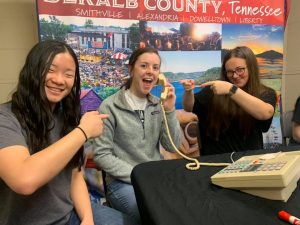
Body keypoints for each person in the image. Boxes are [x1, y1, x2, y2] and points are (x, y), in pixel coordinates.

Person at [0, 40, 135, 225]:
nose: (59, 80)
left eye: (68, 74)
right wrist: (83, 132)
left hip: (69, 215)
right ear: (32, 70)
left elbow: (75, 174)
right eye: (50, 69)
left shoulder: (67, 117)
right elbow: (24, 180)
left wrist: (87, 219)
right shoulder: (5, 118)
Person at [93, 47, 181, 224]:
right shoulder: (109, 107)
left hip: (155, 177)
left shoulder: (158, 105)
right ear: (131, 70)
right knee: (149, 212)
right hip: (123, 182)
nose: (151, 71)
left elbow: (173, 146)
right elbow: (101, 155)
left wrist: (170, 110)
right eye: (144, 66)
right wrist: (138, 174)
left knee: (179, 208)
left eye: (155, 67)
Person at [181, 46, 277, 155]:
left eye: (240, 70)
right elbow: (189, 107)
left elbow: (265, 113)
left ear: (251, 68)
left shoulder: (266, 93)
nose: (235, 76)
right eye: (230, 72)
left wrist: (230, 89)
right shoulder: (215, 89)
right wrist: (188, 91)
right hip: (215, 159)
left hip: (250, 158)